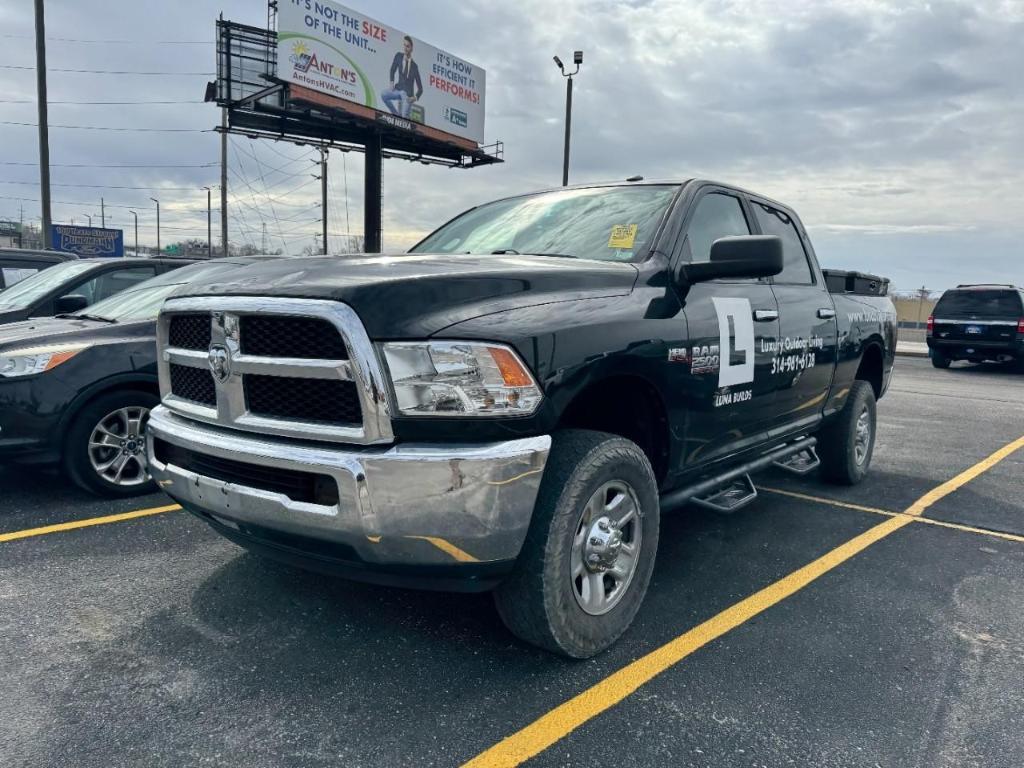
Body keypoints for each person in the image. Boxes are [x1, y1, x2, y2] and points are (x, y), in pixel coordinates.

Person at [381, 35, 423, 119]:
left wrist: (414, 98)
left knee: (404, 118)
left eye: (407, 46)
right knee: (384, 94)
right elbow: (392, 70)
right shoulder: (398, 56)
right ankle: (395, 114)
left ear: (411, 48)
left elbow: (420, 89)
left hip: (407, 95)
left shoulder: (414, 66)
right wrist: (391, 83)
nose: (405, 48)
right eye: (404, 45)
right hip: (397, 89)